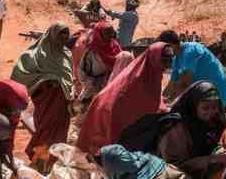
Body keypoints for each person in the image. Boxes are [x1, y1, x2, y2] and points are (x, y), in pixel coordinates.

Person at [76, 42, 175, 155]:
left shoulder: (154, 73)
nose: (169, 64)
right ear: (155, 58)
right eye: (165, 59)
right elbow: (134, 105)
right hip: (113, 116)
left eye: (171, 59)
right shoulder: (138, 78)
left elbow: (152, 100)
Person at [11, 22, 74, 168]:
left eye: (66, 33)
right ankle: (39, 163)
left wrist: (68, 89)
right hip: (46, 100)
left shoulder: (67, 54)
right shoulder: (37, 54)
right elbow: (21, 74)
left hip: (62, 104)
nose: (64, 37)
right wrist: (47, 81)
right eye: (61, 33)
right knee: (45, 132)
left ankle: (52, 164)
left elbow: (69, 77)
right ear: (52, 34)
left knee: (58, 134)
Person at [153, 81, 226, 179]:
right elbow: (172, 168)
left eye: (214, 107)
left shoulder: (212, 122)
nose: (210, 112)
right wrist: (210, 160)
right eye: (205, 108)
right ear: (193, 106)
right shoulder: (176, 129)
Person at [159, 30, 226, 108]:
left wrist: (169, 104)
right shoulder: (176, 60)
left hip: (219, 99)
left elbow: (185, 84)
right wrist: (161, 101)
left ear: (171, 45)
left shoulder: (191, 51)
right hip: (205, 99)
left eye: (164, 49)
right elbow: (172, 85)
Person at [78, 21, 122, 103]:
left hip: (112, 90)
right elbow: (82, 74)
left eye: (112, 32)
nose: (111, 36)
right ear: (99, 35)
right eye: (107, 33)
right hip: (93, 92)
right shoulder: (92, 52)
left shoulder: (116, 46)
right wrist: (98, 83)